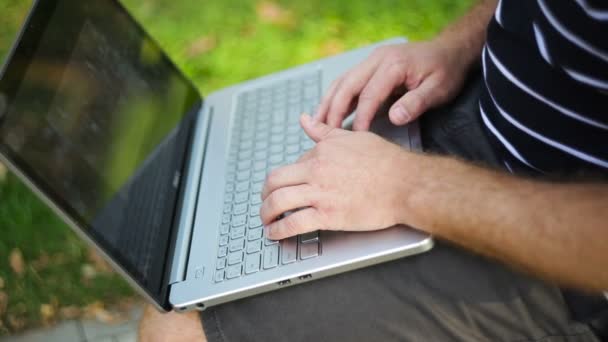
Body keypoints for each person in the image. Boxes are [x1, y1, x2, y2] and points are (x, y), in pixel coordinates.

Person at [139, 0, 608, 340]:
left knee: (176, 328)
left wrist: (405, 185)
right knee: (196, 257)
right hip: (476, 108)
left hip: (567, 264)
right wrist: (456, 45)